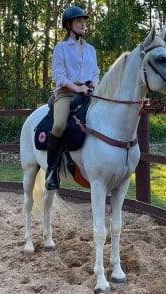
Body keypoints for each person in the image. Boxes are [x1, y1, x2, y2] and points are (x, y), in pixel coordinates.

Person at [46, 6, 100, 190]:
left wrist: (93, 84)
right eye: (79, 21)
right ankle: (51, 171)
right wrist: (78, 88)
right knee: (60, 124)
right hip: (67, 93)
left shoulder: (91, 49)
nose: (83, 24)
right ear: (69, 25)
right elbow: (59, 76)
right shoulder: (61, 48)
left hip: (89, 92)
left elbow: (95, 72)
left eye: (83, 21)